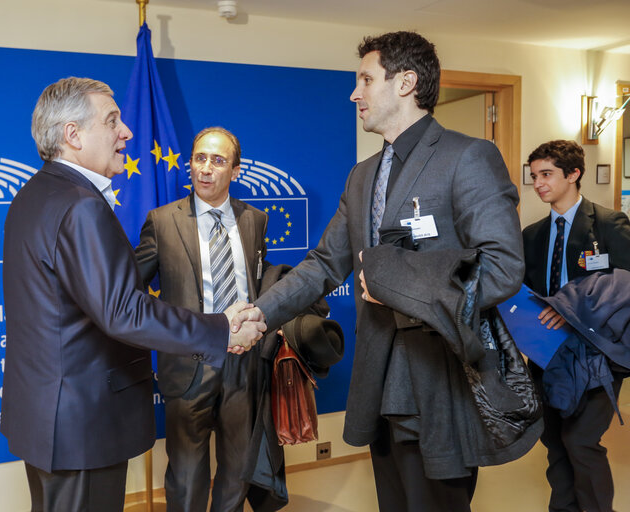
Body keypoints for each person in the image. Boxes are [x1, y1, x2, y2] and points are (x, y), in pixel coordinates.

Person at [246, 31, 532, 512]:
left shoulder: (468, 157)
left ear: (406, 82)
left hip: (438, 381)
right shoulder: (362, 175)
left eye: (364, 79)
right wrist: (258, 313)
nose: (354, 93)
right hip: (378, 378)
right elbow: (322, 265)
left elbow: (502, 267)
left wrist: (393, 279)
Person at [0, 77, 265, 512]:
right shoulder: (81, 205)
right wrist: (221, 330)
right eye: (112, 121)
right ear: (73, 135)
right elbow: (123, 310)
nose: (126, 133)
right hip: (82, 422)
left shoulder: (33, 195)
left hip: (49, 417)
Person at [135, 127, 267, 512]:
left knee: (239, 470)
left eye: (218, 160)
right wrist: (166, 331)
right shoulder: (161, 221)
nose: (206, 169)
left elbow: (256, 283)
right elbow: (129, 290)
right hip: (188, 365)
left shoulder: (255, 220)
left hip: (243, 364)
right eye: (199, 158)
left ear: (236, 171)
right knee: (188, 477)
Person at [523, 139, 630, 512]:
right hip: (545, 353)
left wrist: (572, 308)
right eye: (534, 175)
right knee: (554, 442)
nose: (538, 183)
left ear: (574, 174)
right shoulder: (532, 235)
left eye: (547, 174)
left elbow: (624, 287)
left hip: (596, 353)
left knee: (581, 441)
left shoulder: (608, 224)